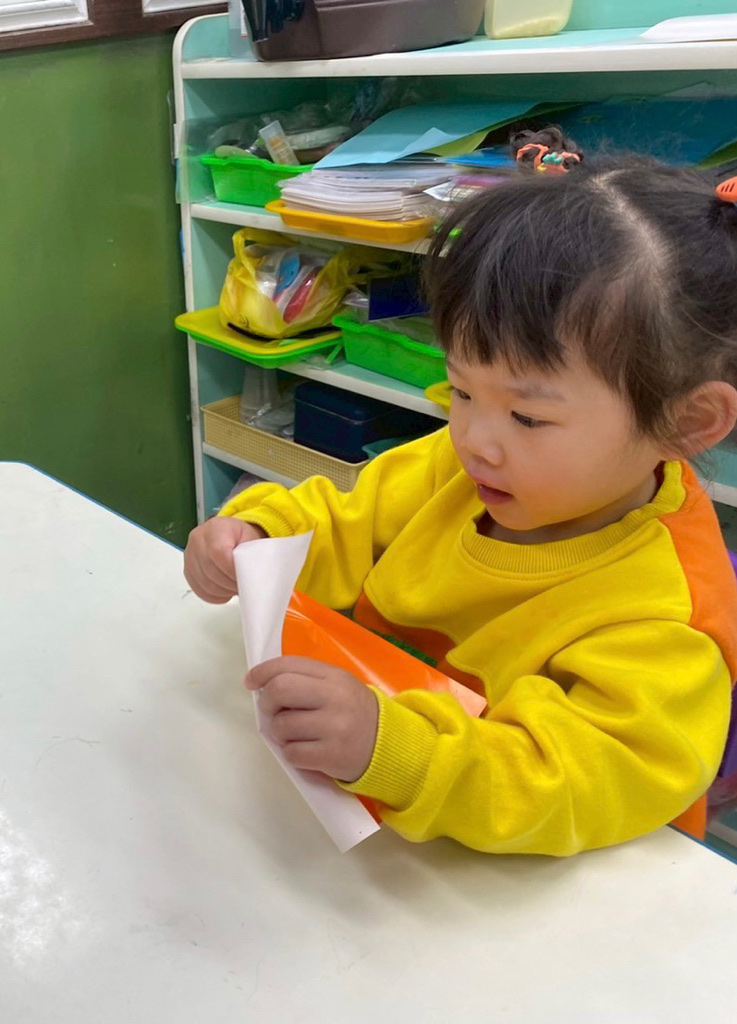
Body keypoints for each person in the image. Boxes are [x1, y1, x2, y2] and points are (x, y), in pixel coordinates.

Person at [184, 135, 737, 856]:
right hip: (385, 822)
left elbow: (569, 784)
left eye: (527, 417)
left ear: (686, 422)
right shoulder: (463, 466)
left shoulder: (665, 615)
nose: (473, 437)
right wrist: (257, 537)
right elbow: (347, 519)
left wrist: (394, 751)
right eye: (462, 389)